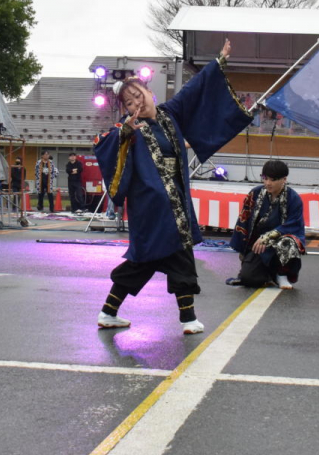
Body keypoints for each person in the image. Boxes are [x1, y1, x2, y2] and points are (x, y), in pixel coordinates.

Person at [94, 39, 253, 334]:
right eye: (128, 103)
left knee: (147, 261)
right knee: (171, 257)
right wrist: (126, 132)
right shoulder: (126, 131)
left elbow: (194, 91)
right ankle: (187, 319)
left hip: (175, 203)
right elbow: (106, 146)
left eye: (137, 96)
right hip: (150, 207)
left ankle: (111, 312)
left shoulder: (170, 115)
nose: (135, 104)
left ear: (150, 94)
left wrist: (219, 61)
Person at [227, 159, 306, 289]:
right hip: (259, 243)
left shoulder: (293, 198)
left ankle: (282, 274)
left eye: (273, 179)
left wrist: (268, 236)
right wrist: (243, 249)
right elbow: (244, 220)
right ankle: (268, 275)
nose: (268, 183)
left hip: (280, 240)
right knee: (248, 279)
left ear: (284, 179)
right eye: (265, 178)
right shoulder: (255, 193)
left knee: (288, 242)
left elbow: (294, 224)